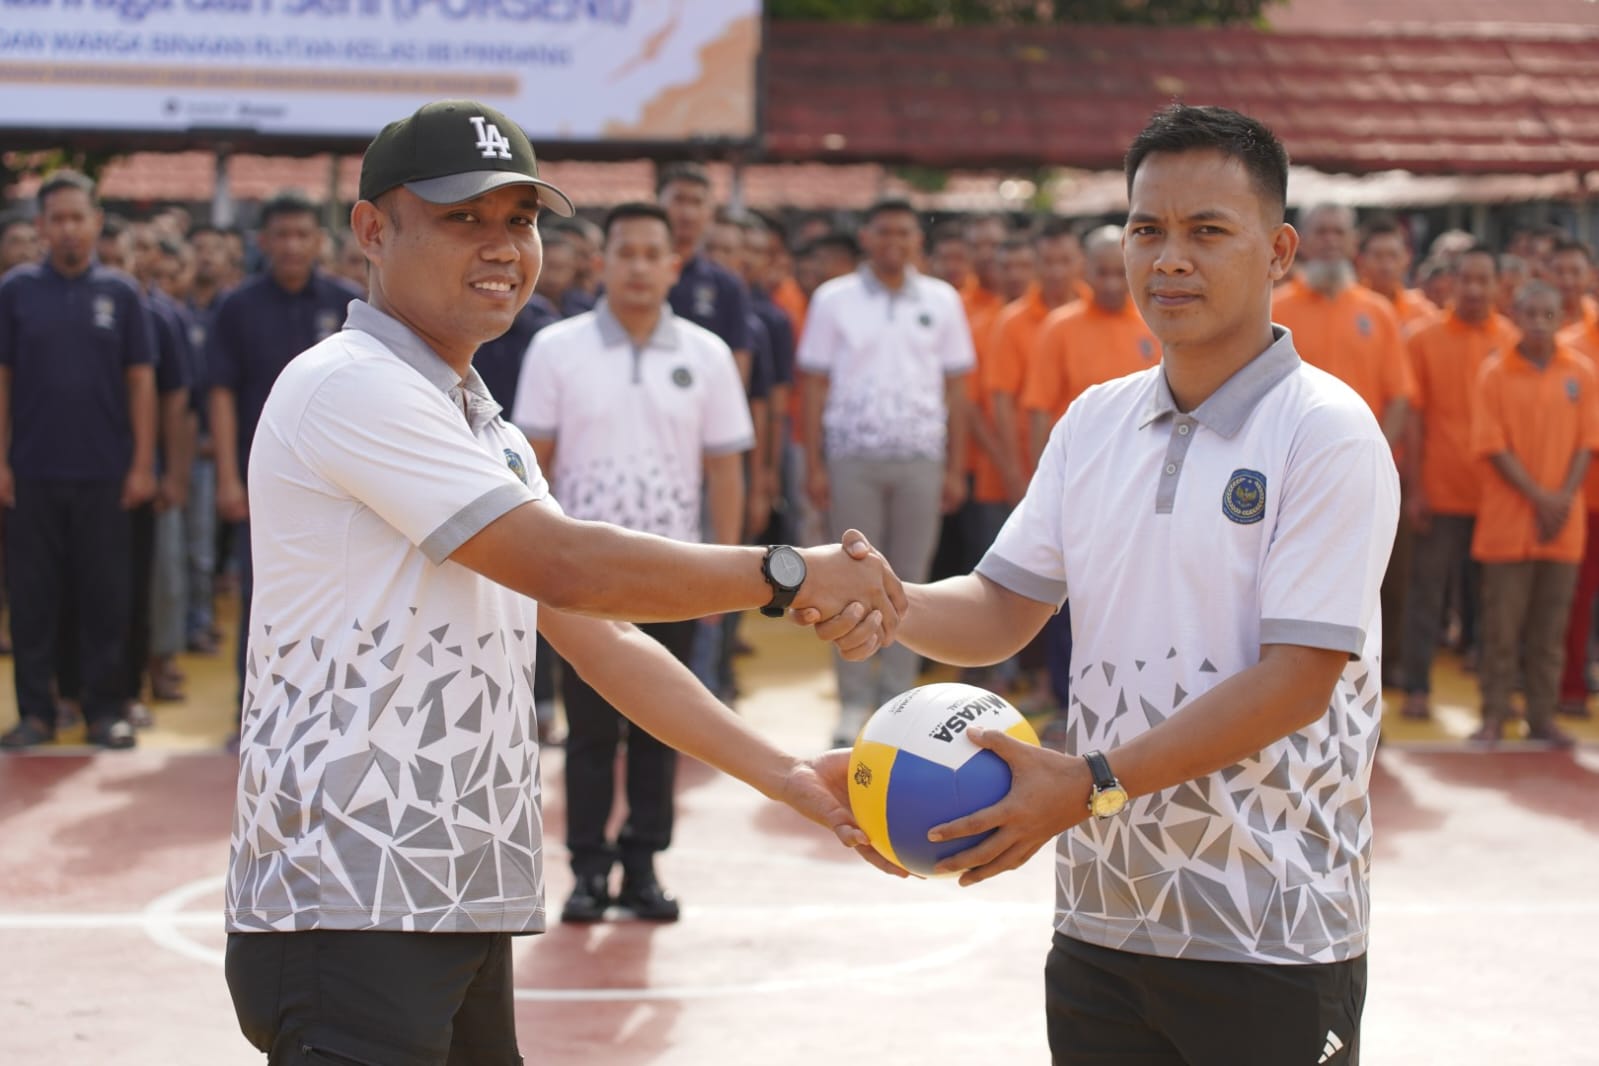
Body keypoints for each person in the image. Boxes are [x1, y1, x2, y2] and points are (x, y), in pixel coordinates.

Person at [222, 99, 902, 1064]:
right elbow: (566, 562)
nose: (502, 246)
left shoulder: (477, 419)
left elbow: (598, 630)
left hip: (446, 894)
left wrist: (788, 777)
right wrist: (786, 573)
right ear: (373, 230)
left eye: (521, 219)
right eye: (464, 218)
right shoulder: (348, 384)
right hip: (351, 895)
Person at [808, 105, 1396, 1063]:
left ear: (1278, 249)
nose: (1169, 259)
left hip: (1271, 921)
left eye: (1207, 231)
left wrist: (1087, 787)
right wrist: (898, 602)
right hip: (1101, 917)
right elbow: (1003, 607)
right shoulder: (1094, 422)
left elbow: (1298, 677)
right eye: (1145, 230)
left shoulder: (1324, 431)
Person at [514, 200, 756, 922]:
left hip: (673, 577)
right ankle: (587, 868)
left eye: (655, 253)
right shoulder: (556, 349)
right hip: (580, 580)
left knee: (663, 725)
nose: (640, 267)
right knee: (589, 730)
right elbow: (532, 465)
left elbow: (724, 470)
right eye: (626, 253)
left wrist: (730, 572)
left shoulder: (706, 355)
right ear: (602, 262)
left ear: (673, 265)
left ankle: (644, 865)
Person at [799, 197, 974, 746]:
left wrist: (955, 466)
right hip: (853, 457)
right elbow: (813, 385)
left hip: (922, 457)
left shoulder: (942, 300)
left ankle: (899, 703)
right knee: (849, 581)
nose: (894, 242)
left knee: (910, 583)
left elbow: (957, 388)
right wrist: (815, 462)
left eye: (904, 232)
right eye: (883, 233)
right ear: (867, 239)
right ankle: (852, 702)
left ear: (916, 241)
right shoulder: (835, 299)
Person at [0, 170, 158, 750]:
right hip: (33, 473)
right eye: (56, 219)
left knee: (104, 597)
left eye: (78, 217)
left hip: (105, 475)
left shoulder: (120, 294)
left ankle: (104, 710)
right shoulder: (16, 291)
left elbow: (141, 382)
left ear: (95, 222)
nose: (68, 229)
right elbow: (3, 379)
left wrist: (141, 464)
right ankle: (37, 713)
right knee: (34, 599)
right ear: (41, 227)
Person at [209, 190, 362, 730]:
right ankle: (253, 712)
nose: (293, 245)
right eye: (282, 235)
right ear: (263, 242)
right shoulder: (237, 306)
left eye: (303, 234)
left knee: (340, 598)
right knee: (263, 598)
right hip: (265, 482)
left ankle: (330, 712)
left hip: (343, 486)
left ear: (319, 240)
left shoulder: (350, 304)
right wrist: (228, 476)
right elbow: (222, 393)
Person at [1470, 281, 1597, 749]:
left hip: (1563, 524)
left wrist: (1561, 498)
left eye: (1549, 314)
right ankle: (1493, 714)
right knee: (1502, 627)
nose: (1540, 322)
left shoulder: (1580, 372)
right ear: (1516, 316)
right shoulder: (1494, 373)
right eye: (1531, 313)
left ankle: (1541, 717)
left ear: (1561, 318)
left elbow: (1588, 443)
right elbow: (1493, 445)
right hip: (1509, 523)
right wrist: (1540, 498)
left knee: (1550, 630)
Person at [1398, 247, 1515, 720]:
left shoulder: (1509, 337)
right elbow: (1416, 418)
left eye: (1482, 280)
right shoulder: (1423, 338)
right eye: (1464, 279)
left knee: (1492, 602)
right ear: (1450, 283)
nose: (1472, 289)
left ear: (1496, 285)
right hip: (1441, 490)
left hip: (1495, 496)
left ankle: (1496, 698)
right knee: (1426, 593)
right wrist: (1417, 488)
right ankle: (1417, 687)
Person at [1355, 214, 1436, 328]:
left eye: (1393, 256)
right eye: (1378, 256)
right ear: (1360, 260)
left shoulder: (1422, 313)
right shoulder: (1349, 308)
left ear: (1407, 258)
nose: (1386, 266)